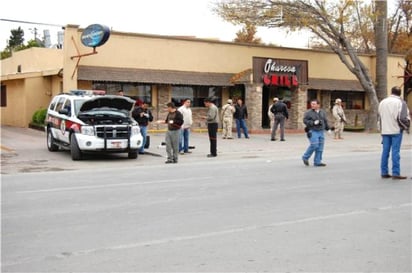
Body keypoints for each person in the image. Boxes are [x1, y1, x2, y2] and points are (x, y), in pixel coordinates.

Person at [378, 86, 410, 180]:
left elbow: (379, 116)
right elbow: (402, 118)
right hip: (396, 130)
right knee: (395, 152)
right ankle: (396, 173)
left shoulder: (383, 102)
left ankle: (384, 172)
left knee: (385, 152)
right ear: (400, 93)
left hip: (385, 130)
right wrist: (406, 127)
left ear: (391, 92)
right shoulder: (401, 102)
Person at [302, 99, 332, 167]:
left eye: (314, 104)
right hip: (312, 131)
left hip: (321, 131)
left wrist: (328, 129)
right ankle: (305, 157)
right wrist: (313, 123)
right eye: (311, 104)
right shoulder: (308, 112)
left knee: (320, 147)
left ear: (318, 105)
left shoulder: (322, 112)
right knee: (314, 145)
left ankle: (317, 162)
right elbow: (305, 120)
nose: (312, 105)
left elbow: (325, 121)